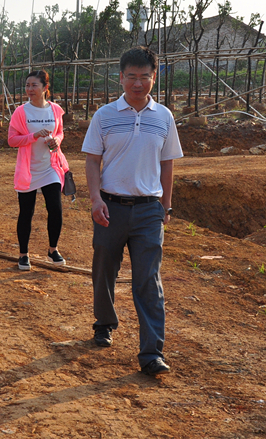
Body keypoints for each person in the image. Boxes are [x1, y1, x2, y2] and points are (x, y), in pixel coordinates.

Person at [82, 46, 183, 376]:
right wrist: (95, 199)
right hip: (110, 206)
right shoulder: (104, 115)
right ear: (121, 77)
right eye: (131, 76)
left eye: (144, 77)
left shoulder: (164, 117)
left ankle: (152, 353)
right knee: (104, 268)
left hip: (149, 210)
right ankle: (104, 323)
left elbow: (167, 165)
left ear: (154, 78)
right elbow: (92, 161)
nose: (138, 83)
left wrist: (166, 206)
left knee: (148, 280)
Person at [8, 70, 68, 271]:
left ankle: (53, 249)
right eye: (27, 85)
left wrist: (56, 140)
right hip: (28, 169)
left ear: (45, 88)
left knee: (55, 208)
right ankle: (23, 254)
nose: (30, 89)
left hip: (50, 166)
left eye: (34, 85)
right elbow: (12, 140)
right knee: (26, 212)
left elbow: (60, 132)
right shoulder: (21, 112)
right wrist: (33, 136)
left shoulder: (55, 110)